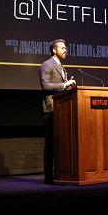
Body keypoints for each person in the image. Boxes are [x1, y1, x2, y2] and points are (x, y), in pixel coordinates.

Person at [38, 38, 76, 184]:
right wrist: (64, 84)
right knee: (50, 143)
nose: (65, 50)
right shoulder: (46, 65)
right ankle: (48, 175)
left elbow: (60, 86)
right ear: (54, 50)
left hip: (62, 109)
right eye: (63, 48)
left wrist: (67, 87)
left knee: (61, 142)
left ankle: (60, 172)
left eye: (66, 48)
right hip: (51, 109)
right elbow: (45, 85)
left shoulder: (61, 67)